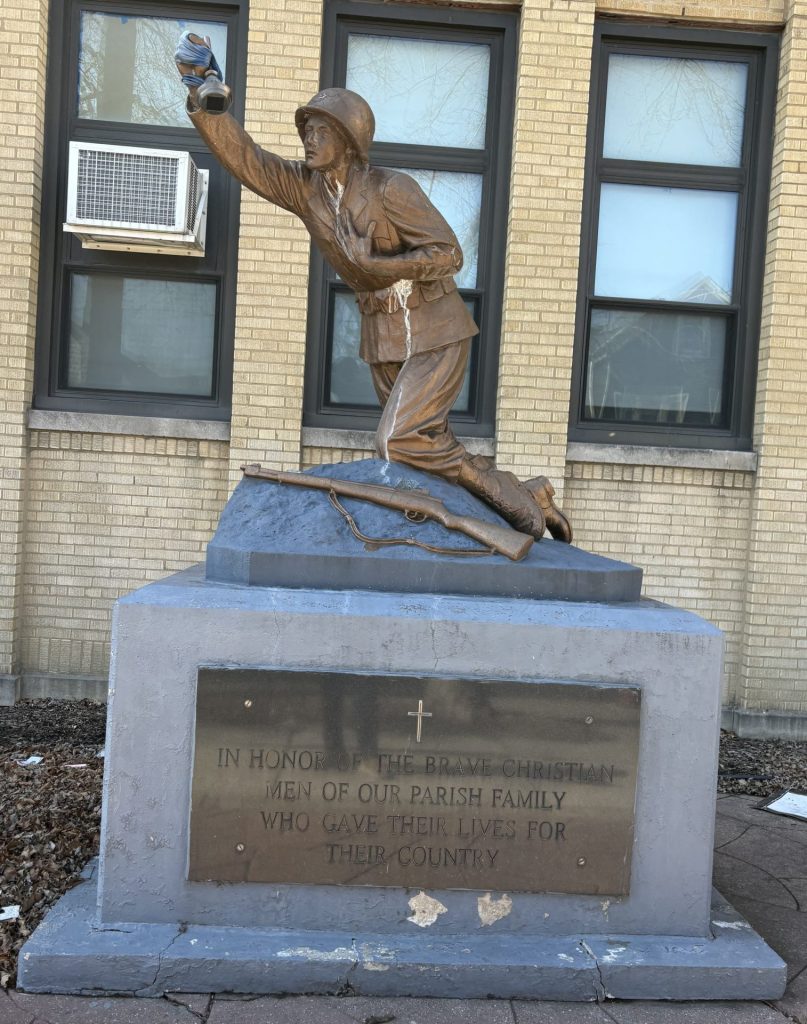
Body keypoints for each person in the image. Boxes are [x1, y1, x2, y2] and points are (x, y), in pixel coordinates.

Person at [175, 34, 571, 542]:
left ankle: (519, 506)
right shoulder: (306, 189)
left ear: (349, 139)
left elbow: (448, 255)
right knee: (425, 447)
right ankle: (528, 492)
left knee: (399, 440)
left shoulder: (391, 187)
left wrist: (377, 264)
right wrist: (202, 97)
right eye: (306, 130)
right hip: (383, 334)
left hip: (434, 328)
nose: (309, 139)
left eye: (320, 130)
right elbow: (247, 159)